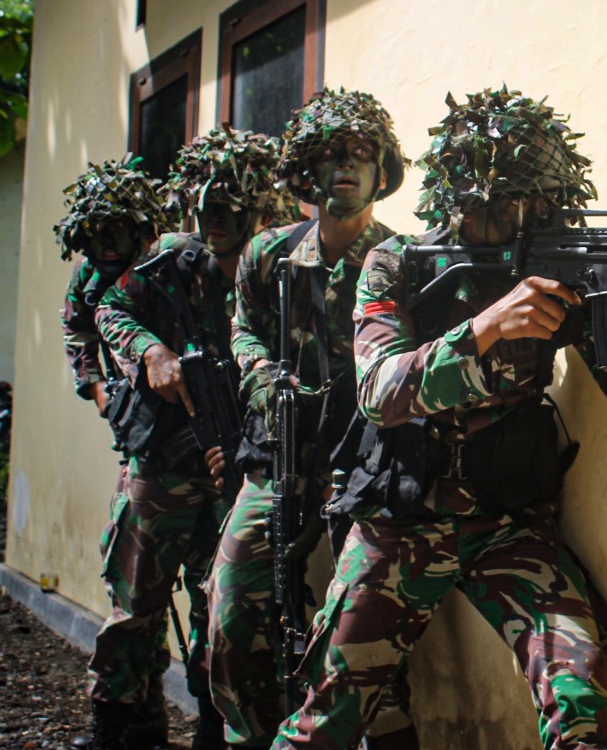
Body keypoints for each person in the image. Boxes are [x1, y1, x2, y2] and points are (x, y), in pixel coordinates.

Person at [270, 87, 607, 750]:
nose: (498, 219)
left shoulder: (557, 267)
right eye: (482, 206)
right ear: (450, 200)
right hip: (399, 522)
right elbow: (380, 391)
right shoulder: (396, 265)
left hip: (508, 523)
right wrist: (485, 329)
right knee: (327, 718)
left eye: (515, 204)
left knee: (581, 694)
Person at [204, 89, 420, 750]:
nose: (348, 169)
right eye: (332, 157)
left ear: (381, 172)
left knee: (365, 637)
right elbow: (242, 331)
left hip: (368, 467)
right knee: (232, 612)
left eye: (362, 155)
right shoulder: (268, 256)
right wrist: (263, 373)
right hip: (281, 457)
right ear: (308, 173)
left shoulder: (406, 261)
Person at [91, 128, 299, 750]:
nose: (214, 223)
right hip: (165, 459)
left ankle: (217, 722)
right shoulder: (174, 260)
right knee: (136, 606)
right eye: (205, 211)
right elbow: (109, 309)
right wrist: (150, 352)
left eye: (229, 211)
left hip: (243, 467)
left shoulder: (281, 271)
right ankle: (121, 723)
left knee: (227, 609)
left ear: (259, 210)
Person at [55, 156, 180, 750]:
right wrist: (99, 388)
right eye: (96, 232)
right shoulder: (90, 277)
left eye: (118, 231)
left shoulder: (167, 265)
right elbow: (78, 328)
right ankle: (130, 718)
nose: (107, 243)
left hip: (195, 439)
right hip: (139, 443)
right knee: (132, 589)